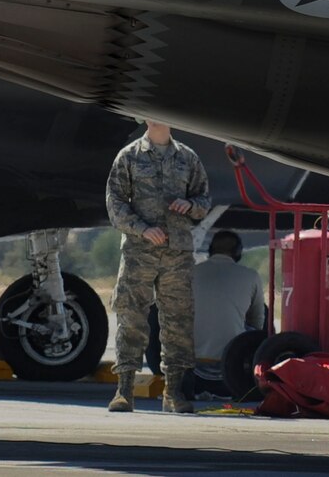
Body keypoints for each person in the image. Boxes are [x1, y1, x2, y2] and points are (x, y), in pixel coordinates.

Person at [105, 118, 210, 413]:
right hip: (140, 252)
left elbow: (203, 199)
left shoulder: (188, 158)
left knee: (178, 322)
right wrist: (141, 228)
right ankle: (124, 390)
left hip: (177, 254)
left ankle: (173, 392)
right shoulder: (129, 156)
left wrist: (190, 206)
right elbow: (115, 203)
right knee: (131, 317)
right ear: (144, 118)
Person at [188, 229, 266, 397]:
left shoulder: (190, 273)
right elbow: (258, 324)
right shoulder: (250, 276)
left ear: (210, 250)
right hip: (231, 374)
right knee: (262, 312)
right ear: (237, 252)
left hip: (188, 374)